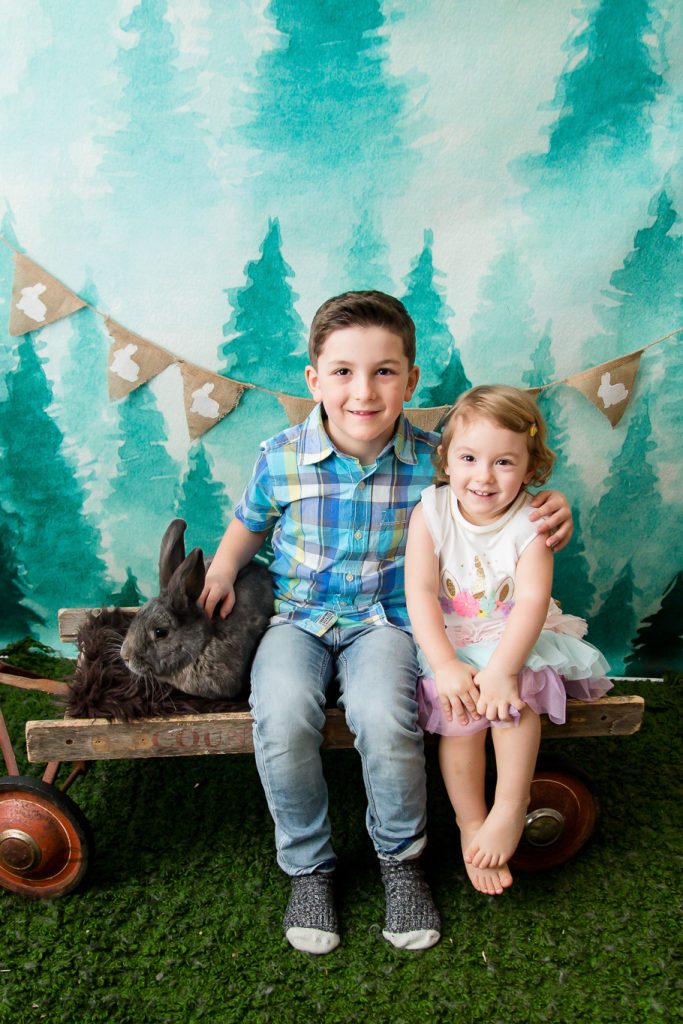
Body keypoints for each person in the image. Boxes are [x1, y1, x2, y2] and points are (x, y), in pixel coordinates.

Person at [199, 294, 574, 954]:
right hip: (298, 619)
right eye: (343, 372)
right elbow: (250, 522)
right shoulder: (282, 456)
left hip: (387, 624)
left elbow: (498, 494)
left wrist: (551, 504)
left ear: (410, 379)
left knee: (385, 717)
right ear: (314, 379)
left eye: (383, 372)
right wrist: (225, 570)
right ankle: (309, 868)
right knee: (281, 715)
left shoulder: (438, 460)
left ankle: (401, 862)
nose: (363, 392)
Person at [405, 384, 611, 898]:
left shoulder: (531, 523)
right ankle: (470, 820)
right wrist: (445, 663)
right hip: (449, 639)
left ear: (529, 467)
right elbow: (421, 592)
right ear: (446, 459)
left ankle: (510, 805)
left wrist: (503, 669)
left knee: (512, 706)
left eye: (503, 462)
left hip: (512, 636)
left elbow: (532, 601)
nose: (483, 476)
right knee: (460, 722)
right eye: (469, 458)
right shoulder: (430, 512)